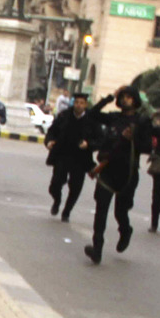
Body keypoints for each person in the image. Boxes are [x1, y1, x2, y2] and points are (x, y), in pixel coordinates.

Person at [83, 85, 151, 264]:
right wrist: (109, 98)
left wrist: (133, 139)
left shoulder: (142, 121)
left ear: (135, 100)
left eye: (129, 97)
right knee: (101, 210)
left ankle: (125, 230)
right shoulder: (114, 117)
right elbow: (91, 114)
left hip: (127, 172)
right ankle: (97, 248)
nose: (125, 100)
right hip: (107, 170)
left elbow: (148, 147)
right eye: (123, 97)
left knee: (120, 211)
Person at [44, 92, 98, 221]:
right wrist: (49, 141)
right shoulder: (64, 116)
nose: (79, 105)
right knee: (55, 184)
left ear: (85, 105)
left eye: (82, 103)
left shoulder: (91, 120)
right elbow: (51, 132)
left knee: (76, 187)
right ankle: (57, 200)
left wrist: (88, 144)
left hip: (80, 159)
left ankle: (67, 211)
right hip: (62, 155)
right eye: (77, 102)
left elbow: (100, 139)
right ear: (73, 103)